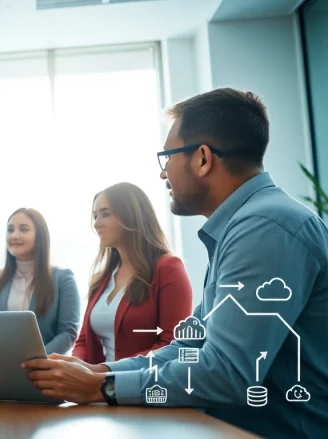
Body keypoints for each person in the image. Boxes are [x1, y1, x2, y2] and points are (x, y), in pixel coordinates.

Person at [22, 88, 328, 437]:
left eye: (167, 156)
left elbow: (225, 373)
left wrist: (102, 388)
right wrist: (101, 372)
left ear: (202, 159)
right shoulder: (243, 226)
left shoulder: (264, 228)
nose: (163, 173)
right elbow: (190, 346)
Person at [72, 183, 192, 362]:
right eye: (95, 216)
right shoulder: (102, 278)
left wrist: (107, 371)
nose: (96, 224)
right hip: (100, 378)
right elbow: (83, 341)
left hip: (143, 378)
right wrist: (72, 364)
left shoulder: (168, 268)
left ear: (131, 216)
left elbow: (172, 345)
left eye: (105, 214)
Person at [0, 208, 80, 355]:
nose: (15, 235)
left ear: (40, 236)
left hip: (46, 366)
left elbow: (68, 333)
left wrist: (36, 360)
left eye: (24, 229)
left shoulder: (63, 279)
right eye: (10, 230)